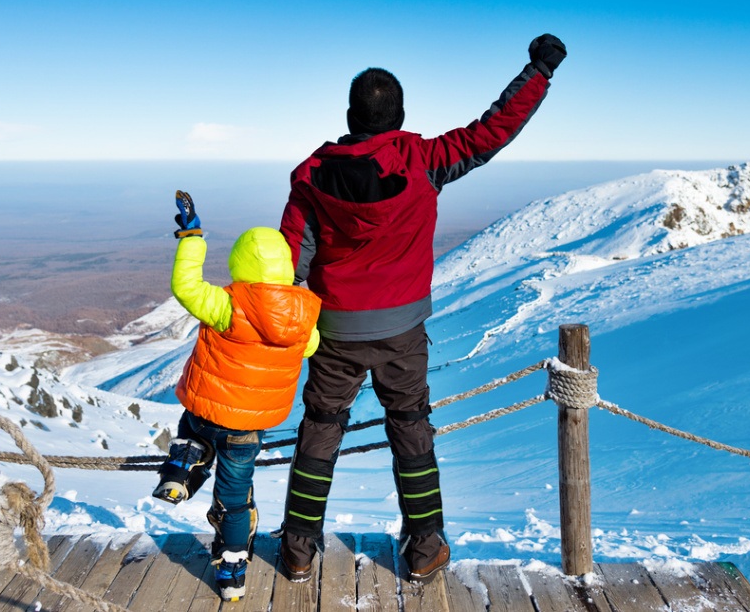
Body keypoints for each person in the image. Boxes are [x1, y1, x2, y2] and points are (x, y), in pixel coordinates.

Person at [276, 34, 568, 584]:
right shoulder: (423, 160)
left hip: (335, 329)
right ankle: (425, 545)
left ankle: (297, 548)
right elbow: (492, 131)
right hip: (404, 329)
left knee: (320, 425)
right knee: (410, 425)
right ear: (401, 115)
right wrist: (538, 72)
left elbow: (292, 257)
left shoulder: (312, 175)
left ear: (349, 115)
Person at [154, 190, 322, 602]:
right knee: (233, 500)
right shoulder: (303, 317)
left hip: (206, 412)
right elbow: (312, 346)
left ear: (240, 264)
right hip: (247, 430)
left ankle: (180, 468)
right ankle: (232, 573)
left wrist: (191, 236)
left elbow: (185, 285)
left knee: (191, 420)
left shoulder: (228, 305)